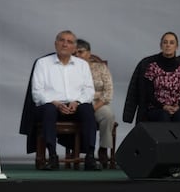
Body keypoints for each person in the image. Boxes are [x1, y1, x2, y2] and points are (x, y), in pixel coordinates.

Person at [25, 30, 101, 171]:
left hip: (75, 106)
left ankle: (90, 157)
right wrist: (56, 103)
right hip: (51, 105)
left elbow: (89, 90)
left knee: (87, 108)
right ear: (55, 44)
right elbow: (37, 92)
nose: (65, 44)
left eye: (69, 42)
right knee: (49, 109)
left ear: (74, 47)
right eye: (61, 40)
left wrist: (77, 102)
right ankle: (52, 157)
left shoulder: (82, 65)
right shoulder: (42, 63)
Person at [124, 31, 180, 123]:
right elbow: (149, 94)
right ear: (161, 45)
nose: (168, 45)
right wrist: (163, 107)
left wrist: (178, 107)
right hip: (156, 108)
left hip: (176, 108)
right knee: (163, 116)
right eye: (165, 42)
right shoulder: (152, 66)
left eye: (171, 43)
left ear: (176, 47)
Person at [74, 39, 116, 169]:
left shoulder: (100, 67)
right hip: (78, 105)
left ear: (89, 53)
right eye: (74, 53)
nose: (77, 56)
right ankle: (83, 152)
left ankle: (103, 148)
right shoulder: (70, 69)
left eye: (80, 52)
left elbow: (108, 92)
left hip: (98, 103)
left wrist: (93, 108)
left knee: (108, 115)